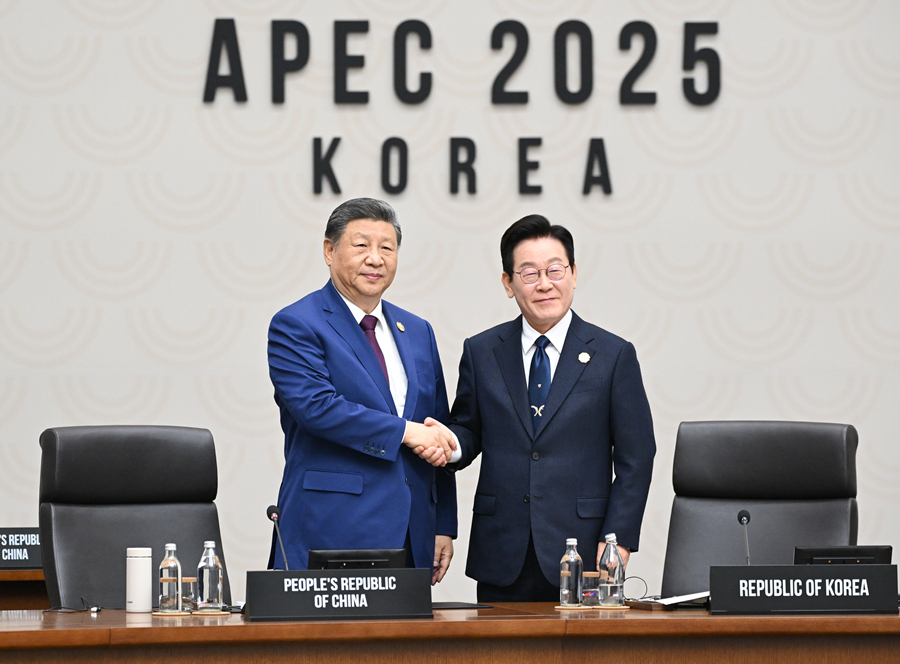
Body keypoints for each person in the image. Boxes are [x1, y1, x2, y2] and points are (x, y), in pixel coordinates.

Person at [446, 214, 656, 602]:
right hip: (503, 551)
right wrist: (447, 443)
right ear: (508, 283)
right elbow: (468, 429)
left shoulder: (613, 355)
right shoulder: (481, 352)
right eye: (528, 273)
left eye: (555, 270)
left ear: (574, 273)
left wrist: (619, 540)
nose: (544, 283)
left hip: (585, 550)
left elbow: (637, 456)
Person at [267, 197, 457, 584]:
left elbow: (436, 428)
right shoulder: (296, 324)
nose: (376, 258)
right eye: (361, 246)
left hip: (411, 532)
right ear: (329, 250)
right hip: (332, 527)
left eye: (387, 248)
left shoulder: (417, 330)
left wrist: (443, 524)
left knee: (406, 646)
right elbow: (317, 407)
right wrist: (406, 431)